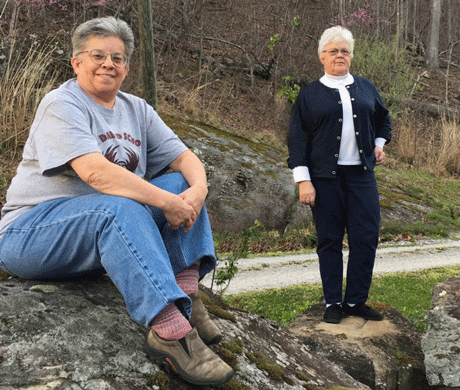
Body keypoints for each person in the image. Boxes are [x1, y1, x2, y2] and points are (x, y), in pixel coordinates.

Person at [0, 17, 234, 386]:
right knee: (121, 206)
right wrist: (167, 203)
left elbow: (185, 159)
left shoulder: (135, 108)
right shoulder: (61, 104)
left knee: (179, 183)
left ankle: (187, 292)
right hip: (30, 233)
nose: (109, 63)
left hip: (95, 230)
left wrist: (197, 190)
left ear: (126, 67)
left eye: (118, 58)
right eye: (98, 55)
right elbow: (96, 174)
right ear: (77, 62)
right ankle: (170, 332)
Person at [287, 26, 392, 324]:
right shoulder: (309, 94)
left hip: (361, 176)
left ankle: (356, 300)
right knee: (330, 240)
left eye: (345, 51)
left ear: (352, 56)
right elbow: (296, 140)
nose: (339, 56)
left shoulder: (366, 87)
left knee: (366, 237)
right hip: (324, 179)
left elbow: (384, 121)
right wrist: (303, 180)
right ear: (321, 56)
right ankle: (333, 301)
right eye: (333, 51)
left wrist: (378, 145)